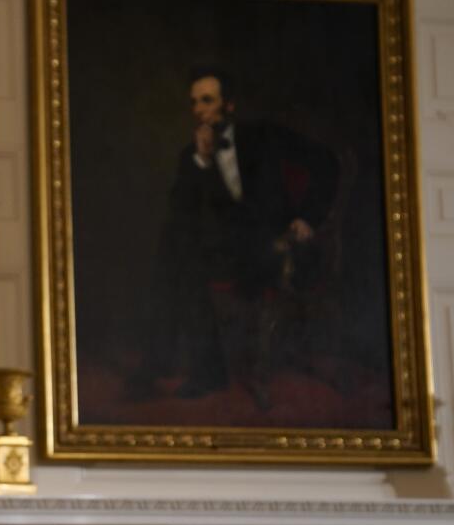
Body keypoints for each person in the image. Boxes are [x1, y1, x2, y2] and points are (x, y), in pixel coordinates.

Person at [132, 66, 338, 408]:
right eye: (194, 102)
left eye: (207, 100)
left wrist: (308, 218)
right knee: (177, 248)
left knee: (179, 254)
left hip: (279, 246)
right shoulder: (192, 155)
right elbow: (180, 212)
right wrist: (202, 160)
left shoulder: (266, 136)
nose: (198, 110)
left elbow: (327, 162)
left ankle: (162, 360)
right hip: (232, 252)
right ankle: (201, 369)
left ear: (229, 106)